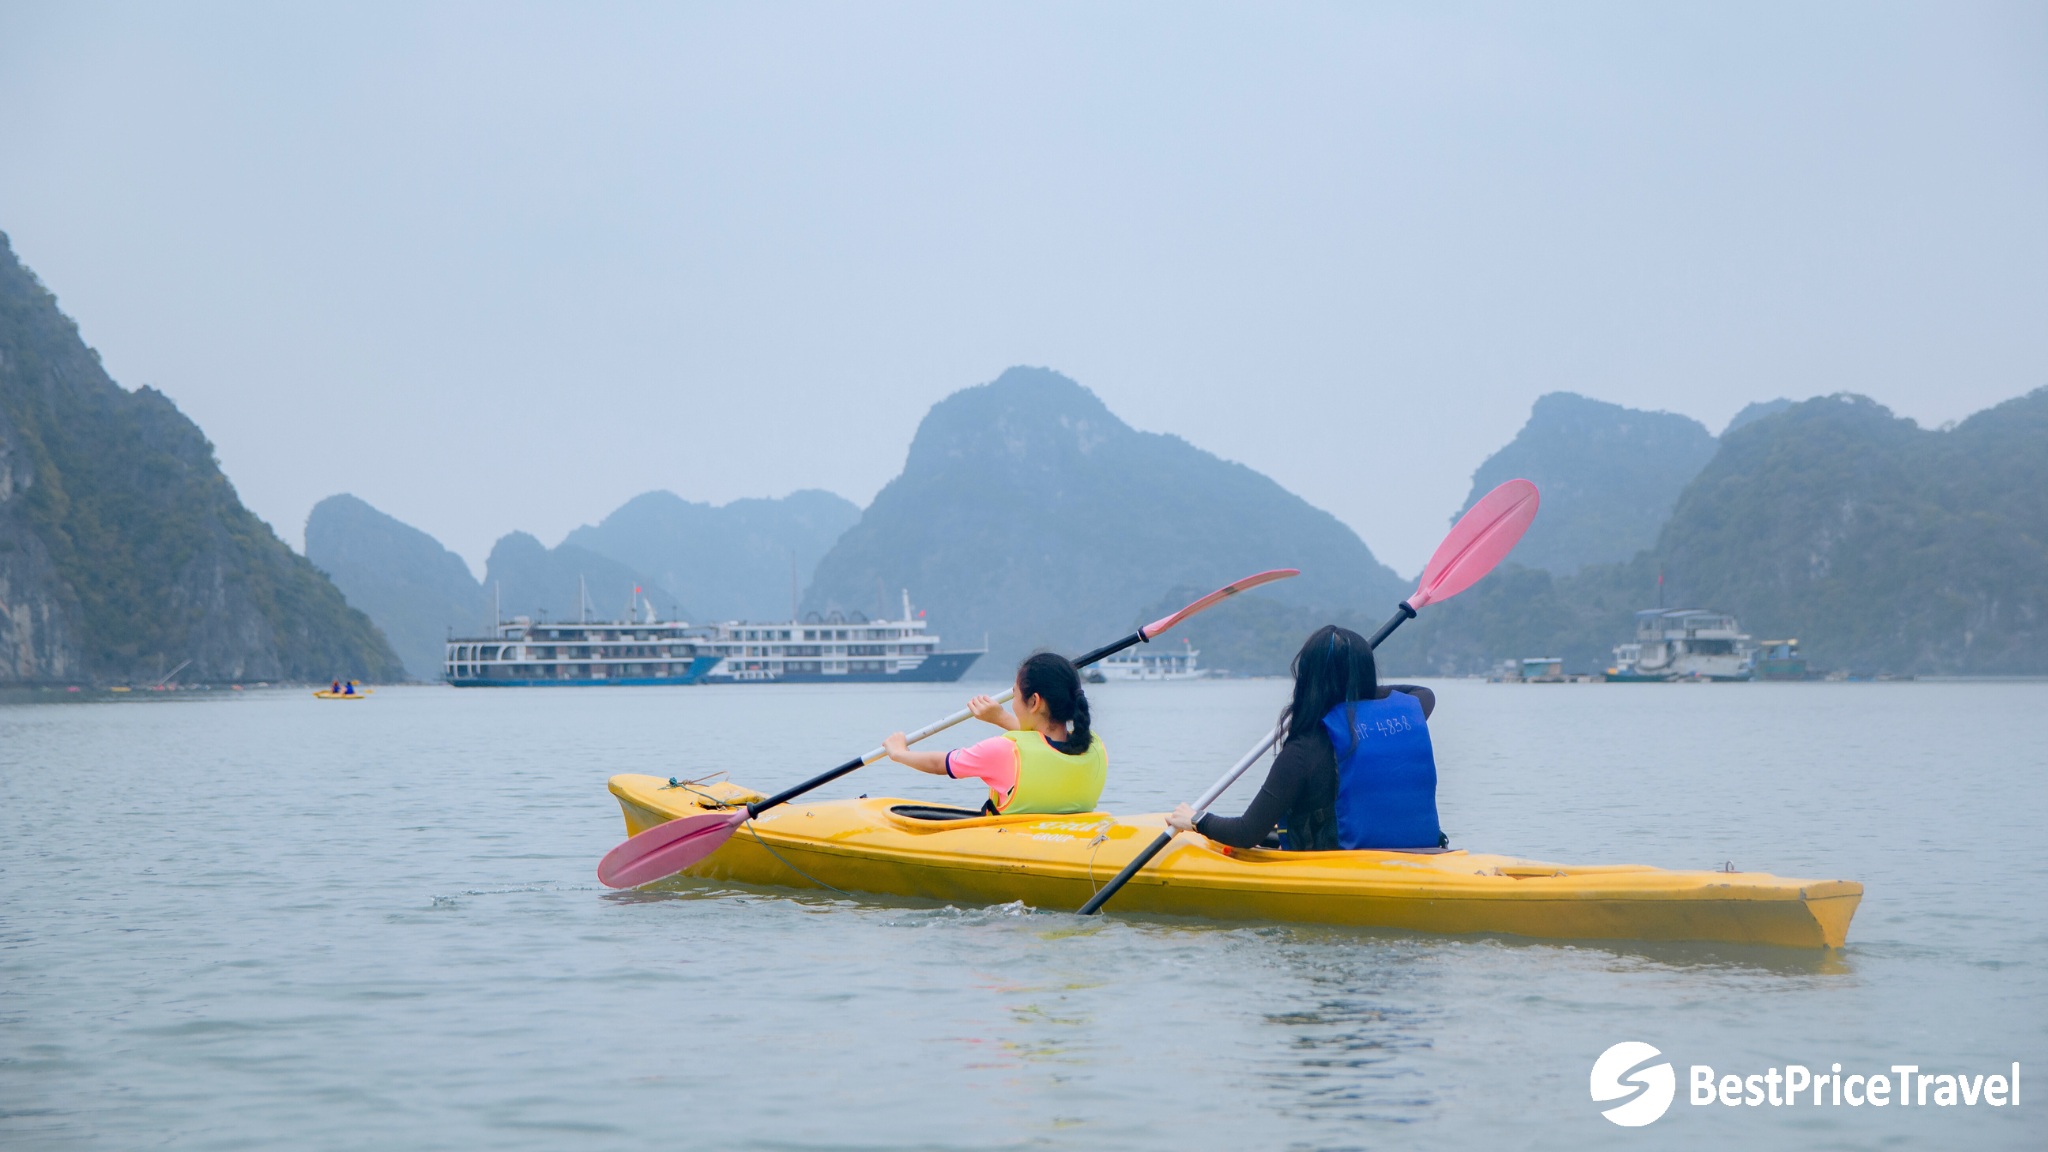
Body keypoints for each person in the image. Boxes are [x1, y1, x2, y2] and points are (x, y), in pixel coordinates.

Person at [1167, 625, 1442, 851]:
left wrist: (1196, 819)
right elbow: (1422, 692)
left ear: (1308, 680)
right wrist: (1360, 689)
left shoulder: (1304, 750)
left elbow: (1246, 833)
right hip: (1420, 853)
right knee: (1279, 831)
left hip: (1341, 864)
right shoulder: (1412, 711)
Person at [883, 652, 1107, 815]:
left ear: (1034, 701)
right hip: (1073, 841)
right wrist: (1000, 718)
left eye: (1014, 694)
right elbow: (1044, 745)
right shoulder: (1092, 746)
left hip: (1017, 845)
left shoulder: (1004, 751)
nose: (1013, 703)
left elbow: (939, 764)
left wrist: (900, 753)